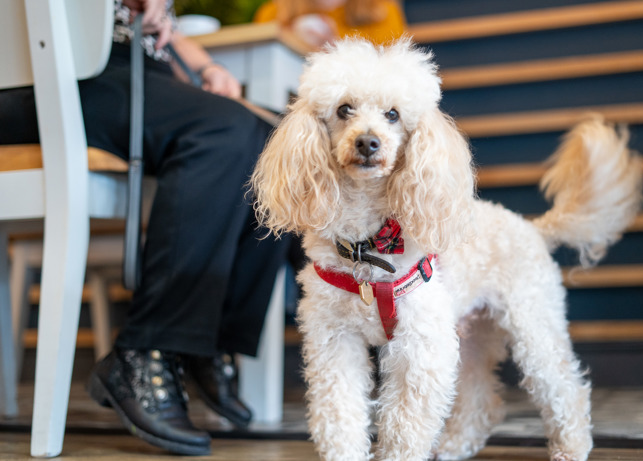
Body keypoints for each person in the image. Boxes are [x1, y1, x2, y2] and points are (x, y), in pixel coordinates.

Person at [0, 0, 287, 456]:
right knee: (223, 132)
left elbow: (159, 33)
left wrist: (207, 65)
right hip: (38, 69)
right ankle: (146, 351)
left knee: (282, 144)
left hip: (130, 68)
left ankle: (204, 338)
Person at [253, 0, 407, 48]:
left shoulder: (381, 12)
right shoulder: (273, 14)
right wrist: (290, 41)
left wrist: (337, 46)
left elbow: (391, 74)